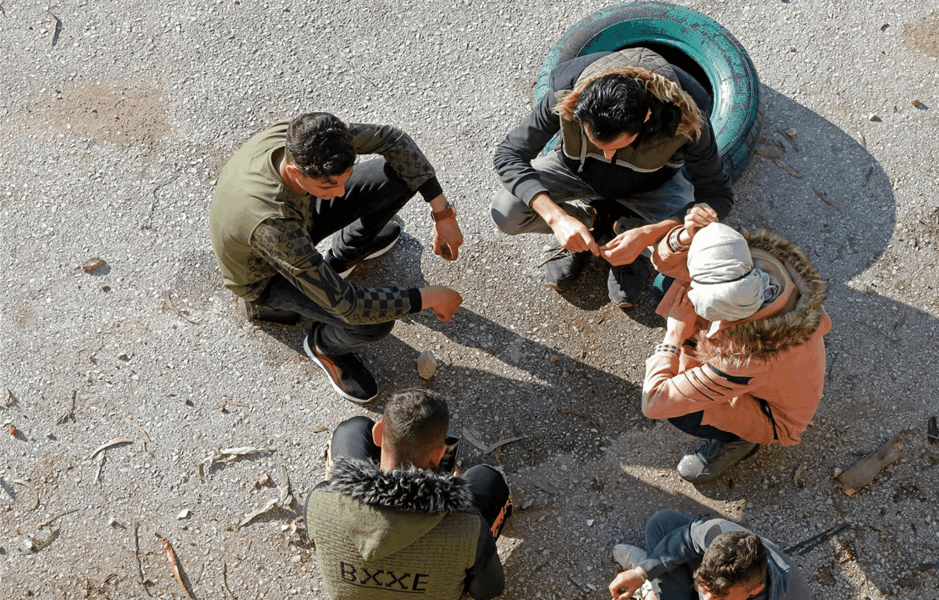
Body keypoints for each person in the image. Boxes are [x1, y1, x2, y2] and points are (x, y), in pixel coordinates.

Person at [209, 113, 464, 402]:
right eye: (330, 186)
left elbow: (395, 141)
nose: (341, 192)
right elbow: (349, 305)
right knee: (373, 321)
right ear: (294, 172)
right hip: (266, 275)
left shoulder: (309, 138)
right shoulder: (274, 223)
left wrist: (442, 213)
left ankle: (346, 256)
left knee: (399, 173)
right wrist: (427, 298)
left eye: (342, 180)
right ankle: (323, 346)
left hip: (298, 219)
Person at [491, 47, 733, 307]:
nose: (607, 154)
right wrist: (557, 218)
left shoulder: (688, 123)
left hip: (652, 187)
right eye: (596, 142)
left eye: (616, 146)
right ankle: (588, 225)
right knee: (506, 212)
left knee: (700, 247)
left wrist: (650, 234)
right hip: (575, 173)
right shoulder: (568, 93)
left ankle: (630, 231)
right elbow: (508, 154)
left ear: (646, 117)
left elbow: (717, 194)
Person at [643, 214, 831, 483]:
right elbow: (664, 264)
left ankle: (740, 441)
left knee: (682, 411)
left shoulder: (745, 359)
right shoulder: (756, 261)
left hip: (772, 414)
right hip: (776, 371)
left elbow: (655, 402)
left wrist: (674, 335)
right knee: (665, 286)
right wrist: (683, 236)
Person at [304, 390, 511, 600]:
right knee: (486, 479)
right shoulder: (469, 526)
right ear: (440, 453)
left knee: (353, 430)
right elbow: (489, 590)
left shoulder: (319, 501)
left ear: (378, 433)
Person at [608, 510, 813, 600]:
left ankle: (650, 590)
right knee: (663, 523)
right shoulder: (720, 535)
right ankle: (646, 578)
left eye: (720, 599)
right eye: (703, 588)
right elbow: (688, 537)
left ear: (754, 590)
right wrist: (642, 572)